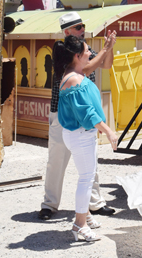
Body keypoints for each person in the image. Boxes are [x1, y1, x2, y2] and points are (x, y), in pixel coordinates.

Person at [38, 12, 117, 220]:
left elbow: (106, 64)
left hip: (81, 114)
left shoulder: (85, 49)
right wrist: (106, 48)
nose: (83, 30)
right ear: (67, 31)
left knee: (91, 162)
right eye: (78, 27)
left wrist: (110, 47)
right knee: (56, 160)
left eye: (82, 26)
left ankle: (95, 203)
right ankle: (49, 205)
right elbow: (86, 68)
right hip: (63, 115)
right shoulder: (63, 50)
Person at [54, 35, 119, 242]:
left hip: (81, 134)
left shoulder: (76, 73)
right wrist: (108, 131)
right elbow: (88, 114)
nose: (90, 53)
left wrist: (107, 48)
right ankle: (79, 225)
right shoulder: (74, 78)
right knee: (86, 178)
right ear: (77, 55)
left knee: (86, 177)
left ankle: (85, 216)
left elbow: (94, 65)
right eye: (87, 51)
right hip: (80, 134)